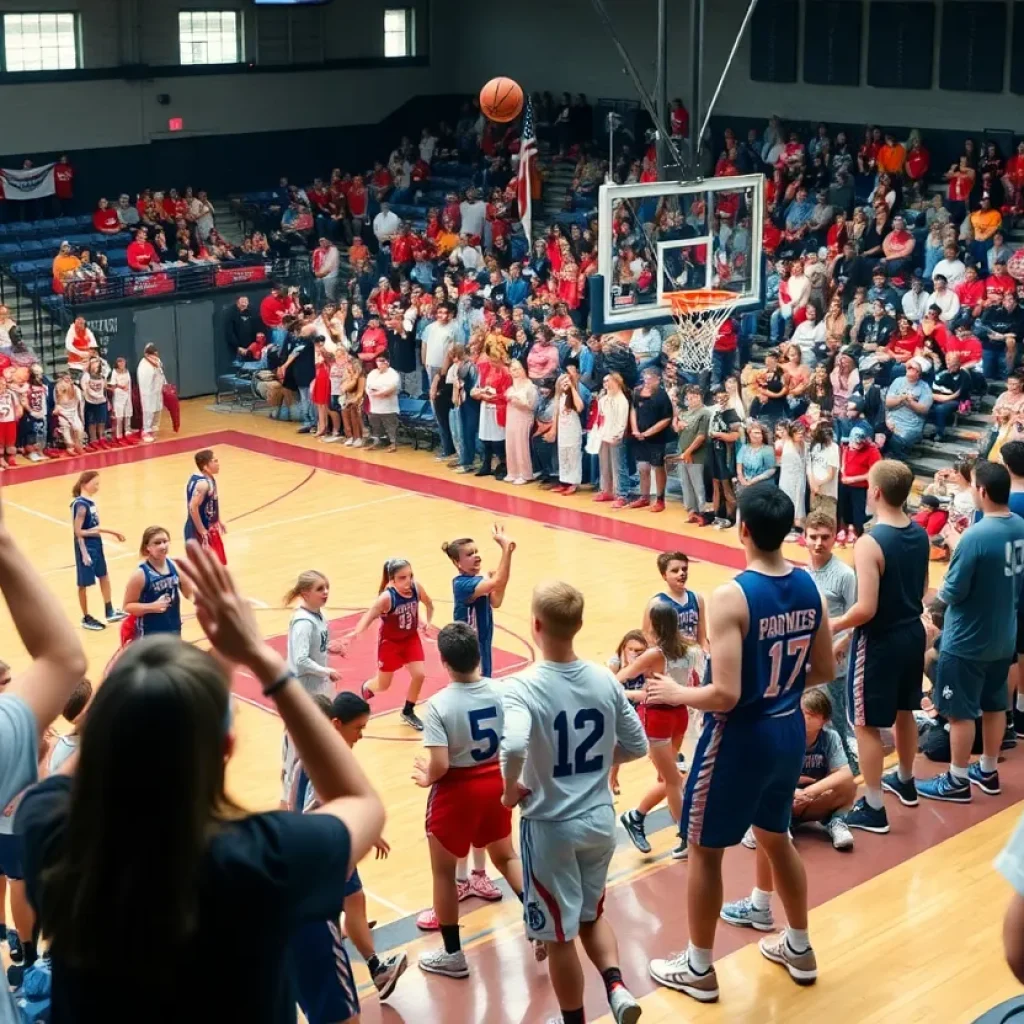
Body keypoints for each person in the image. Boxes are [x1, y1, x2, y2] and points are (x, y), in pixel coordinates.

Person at [17, 539, 386, 1023]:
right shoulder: (266, 857)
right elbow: (362, 801)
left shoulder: (53, 832)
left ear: (105, 733)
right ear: (227, 747)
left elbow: (91, 731)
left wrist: (149, 688)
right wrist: (260, 660)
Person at [647, 482, 835, 1001]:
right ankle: (797, 945)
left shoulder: (731, 594)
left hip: (741, 737)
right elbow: (824, 667)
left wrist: (677, 691)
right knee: (776, 837)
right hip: (789, 727)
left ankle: (699, 968)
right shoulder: (809, 586)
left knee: (704, 852)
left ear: (743, 528)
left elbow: (726, 694)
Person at [500, 581, 648, 1024]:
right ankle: (617, 986)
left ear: (535, 623)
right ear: (579, 625)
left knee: (559, 935)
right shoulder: (604, 679)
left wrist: (510, 789)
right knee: (591, 913)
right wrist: (601, 762)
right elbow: (637, 744)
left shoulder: (522, 687)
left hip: (551, 825)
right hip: (600, 819)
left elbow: (511, 747)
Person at [413, 623, 544, 977]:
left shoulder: (438, 705)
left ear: (444, 661)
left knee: (443, 874)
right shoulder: (503, 690)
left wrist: (428, 776)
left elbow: (440, 764)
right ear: (479, 655)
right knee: (506, 856)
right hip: (496, 782)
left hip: (457, 790)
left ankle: (453, 955)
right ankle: (538, 922)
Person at [287, 691, 407, 1010]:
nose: (361, 736)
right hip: (324, 853)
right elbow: (319, 809)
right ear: (336, 724)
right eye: (358, 729)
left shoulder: (309, 756)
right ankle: (371, 970)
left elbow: (293, 805)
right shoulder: (325, 761)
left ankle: (374, 967)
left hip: (325, 848)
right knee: (349, 906)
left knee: (355, 901)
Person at [831, 460, 929, 834]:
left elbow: (866, 608)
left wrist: (835, 625)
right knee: (905, 710)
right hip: (911, 633)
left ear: (875, 492)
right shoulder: (919, 534)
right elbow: (920, 591)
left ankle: (873, 807)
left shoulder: (869, 542)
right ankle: (905, 780)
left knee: (864, 723)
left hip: (880, 641)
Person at [917, 461, 1024, 802]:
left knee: (959, 710)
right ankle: (988, 771)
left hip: (967, 639)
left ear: (982, 491)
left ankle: (957, 780)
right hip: (1004, 633)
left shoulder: (975, 537)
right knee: (995, 706)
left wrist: (952, 542)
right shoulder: (1020, 526)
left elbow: (951, 592)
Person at [722, 688, 855, 935]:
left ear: (823, 720)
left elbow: (846, 774)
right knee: (766, 805)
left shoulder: (828, 737)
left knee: (847, 785)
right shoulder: (782, 734)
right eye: (800, 712)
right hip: (783, 801)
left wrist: (810, 791)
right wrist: (792, 789)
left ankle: (835, 821)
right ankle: (790, 933)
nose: (802, 718)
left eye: (810, 714)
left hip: (805, 801)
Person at [618, 601, 702, 859]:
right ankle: (638, 816)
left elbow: (619, 677)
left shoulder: (655, 654)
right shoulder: (690, 647)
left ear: (654, 626)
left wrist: (628, 692)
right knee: (671, 778)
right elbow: (696, 680)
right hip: (681, 714)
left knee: (672, 779)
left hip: (659, 717)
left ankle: (684, 837)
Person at [804, 511, 859, 767]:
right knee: (812, 716)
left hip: (837, 664)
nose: (818, 543)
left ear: (835, 539)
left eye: (824, 537)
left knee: (837, 719)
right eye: (813, 537)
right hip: (809, 662)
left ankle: (850, 766)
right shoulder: (803, 574)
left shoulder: (845, 575)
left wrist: (842, 643)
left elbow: (859, 617)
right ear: (803, 538)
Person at [355, 558, 434, 731]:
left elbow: (429, 604)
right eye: (402, 578)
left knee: (419, 675)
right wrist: (354, 635)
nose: (408, 581)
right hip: (390, 643)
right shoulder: (386, 598)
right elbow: (368, 616)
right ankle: (367, 687)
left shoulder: (416, 588)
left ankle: (408, 711)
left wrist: (426, 621)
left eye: (410, 576)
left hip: (410, 638)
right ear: (392, 580)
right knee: (384, 685)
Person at [443, 525, 515, 678]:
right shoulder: (461, 584)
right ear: (458, 563)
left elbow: (496, 601)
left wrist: (499, 584)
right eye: (469, 554)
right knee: (473, 690)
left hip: (482, 644)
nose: (476, 556)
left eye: (476, 551)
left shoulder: (480, 578)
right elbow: (498, 582)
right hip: (468, 650)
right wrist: (506, 549)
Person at [71, 471, 127, 632]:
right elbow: (78, 532)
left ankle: (109, 610)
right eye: (95, 484)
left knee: (104, 575)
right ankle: (86, 616)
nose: (97, 487)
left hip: (96, 544)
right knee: (83, 584)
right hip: (85, 548)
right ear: (84, 484)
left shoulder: (90, 502)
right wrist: (108, 530)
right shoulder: (80, 505)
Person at [121, 526, 193, 644]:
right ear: (147, 547)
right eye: (157, 543)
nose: (163, 546)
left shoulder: (174, 566)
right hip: (150, 636)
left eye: (165, 541)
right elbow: (128, 606)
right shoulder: (140, 574)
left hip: (174, 630)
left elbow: (190, 593)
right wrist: (152, 606)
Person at [283, 570, 346, 698]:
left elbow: (314, 644)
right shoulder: (303, 623)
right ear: (305, 594)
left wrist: (329, 647)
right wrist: (326, 671)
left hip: (317, 680)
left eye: (327, 587)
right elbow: (301, 660)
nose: (326, 592)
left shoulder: (318, 614)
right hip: (304, 685)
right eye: (320, 589)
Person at [628, 367, 673, 513]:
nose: (647, 381)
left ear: (658, 379)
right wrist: (635, 429)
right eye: (645, 378)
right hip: (639, 437)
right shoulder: (637, 392)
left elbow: (666, 419)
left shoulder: (661, 396)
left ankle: (660, 499)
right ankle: (644, 496)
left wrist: (648, 433)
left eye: (650, 378)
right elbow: (633, 410)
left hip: (657, 438)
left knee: (658, 467)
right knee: (642, 467)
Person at [185, 449, 227, 565]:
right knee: (203, 569)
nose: (218, 463)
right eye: (215, 461)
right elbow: (193, 508)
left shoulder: (207, 478)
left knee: (217, 566)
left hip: (207, 528)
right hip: (198, 531)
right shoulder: (203, 484)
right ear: (205, 466)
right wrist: (201, 530)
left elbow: (211, 502)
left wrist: (218, 519)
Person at [136, 343, 166, 443]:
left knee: (158, 409)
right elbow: (145, 382)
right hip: (148, 393)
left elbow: (161, 373)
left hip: (158, 391)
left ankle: (154, 428)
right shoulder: (143, 365)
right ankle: (146, 431)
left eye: (156, 354)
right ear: (148, 355)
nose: (156, 357)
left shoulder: (157, 361)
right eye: (153, 355)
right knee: (149, 411)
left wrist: (164, 384)